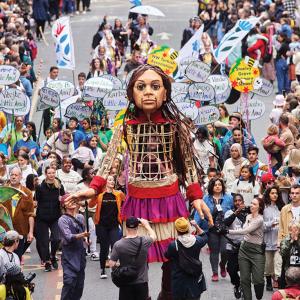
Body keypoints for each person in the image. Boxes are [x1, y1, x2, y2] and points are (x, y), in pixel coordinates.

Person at [226, 197, 265, 300]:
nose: (251, 205)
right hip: (244, 249)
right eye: (251, 203)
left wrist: (227, 231)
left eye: (254, 204)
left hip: (257, 250)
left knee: (258, 280)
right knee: (244, 279)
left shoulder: (260, 219)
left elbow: (245, 231)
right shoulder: (248, 216)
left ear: (259, 207)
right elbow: (243, 230)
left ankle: (259, 296)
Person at [109, 217, 156, 300]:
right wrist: (146, 225)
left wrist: (121, 265)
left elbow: (111, 264)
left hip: (125, 282)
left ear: (126, 228)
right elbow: (154, 236)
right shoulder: (145, 241)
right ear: (137, 227)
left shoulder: (118, 244)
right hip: (142, 283)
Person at [88, 175, 125, 278]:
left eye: (113, 180)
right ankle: (103, 270)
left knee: (115, 246)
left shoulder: (118, 194)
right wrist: (94, 195)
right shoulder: (100, 195)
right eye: (109, 180)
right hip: (101, 225)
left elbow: (126, 201)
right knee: (104, 248)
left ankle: (113, 267)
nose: (112, 181)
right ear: (105, 182)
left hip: (114, 224)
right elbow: (90, 205)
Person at [196, 178, 233, 281]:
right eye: (215, 185)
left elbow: (233, 211)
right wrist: (196, 226)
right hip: (212, 228)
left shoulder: (229, 197)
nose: (217, 186)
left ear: (222, 186)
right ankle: (215, 273)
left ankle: (222, 265)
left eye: (219, 184)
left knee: (225, 250)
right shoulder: (206, 198)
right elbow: (200, 213)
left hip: (225, 228)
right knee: (214, 251)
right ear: (211, 186)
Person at [164, 217, 207, 300]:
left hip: (179, 281)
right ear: (188, 228)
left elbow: (166, 255)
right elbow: (204, 236)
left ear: (176, 230)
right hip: (194, 278)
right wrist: (196, 225)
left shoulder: (173, 245)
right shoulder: (197, 241)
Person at [58, 194, 90, 300]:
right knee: (69, 282)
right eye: (68, 201)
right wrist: (82, 235)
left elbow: (83, 231)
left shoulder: (80, 217)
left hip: (80, 254)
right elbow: (68, 237)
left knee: (79, 285)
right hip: (69, 254)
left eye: (73, 200)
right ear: (64, 205)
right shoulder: (63, 220)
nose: (71, 202)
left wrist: (85, 239)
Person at [35, 166, 65, 272]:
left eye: (53, 173)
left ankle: (53, 256)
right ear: (46, 174)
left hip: (55, 216)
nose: (51, 175)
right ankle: (47, 261)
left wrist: (62, 200)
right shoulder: (40, 187)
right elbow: (36, 201)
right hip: (42, 217)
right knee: (44, 241)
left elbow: (64, 198)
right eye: (49, 173)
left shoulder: (59, 185)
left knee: (57, 238)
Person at [3, 168, 35, 259]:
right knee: (4, 258)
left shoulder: (27, 192)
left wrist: (31, 232)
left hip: (20, 231)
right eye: (12, 175)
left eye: (16, 175)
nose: (13, 177)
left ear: (21, 177)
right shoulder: (3, 190)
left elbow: (31, 214)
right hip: (4, 231)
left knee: (16, 257)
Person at [223, 194, 247, 299]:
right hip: (232, 245)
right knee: (231, 269)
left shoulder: (247, 213)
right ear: (233, 202)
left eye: (240, 200)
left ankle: (244, 287)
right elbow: (225, 224)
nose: (238, 202)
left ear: (243, 201)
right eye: (236, 201)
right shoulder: (229, 212)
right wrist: (235, 213)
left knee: (244, 269)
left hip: (244, 245)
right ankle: (237, 284)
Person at [263, 186, 285, 291]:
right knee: (268, 264)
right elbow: (261, 225)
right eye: (272, 193)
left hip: (279, 241)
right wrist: (270, 224)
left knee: (278, 262)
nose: (275, 195)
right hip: (267, 240)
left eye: (276, 193)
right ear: (268, 194)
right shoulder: (264, 208)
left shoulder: (282, 207)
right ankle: (268, 281)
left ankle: (277, 280)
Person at [279, 220, 300, 289]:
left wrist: (297, 242)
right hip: (288, 269)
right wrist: (290, 242)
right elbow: (283, 253)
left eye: (296, 230)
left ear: (299, 231)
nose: (293, 232)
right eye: (291, 230)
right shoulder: (285, 240)